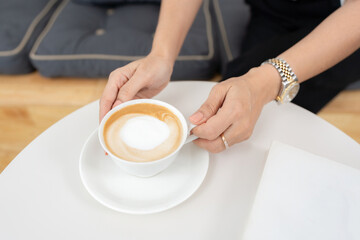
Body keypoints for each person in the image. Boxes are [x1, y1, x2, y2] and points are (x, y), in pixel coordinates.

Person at [99, 0, 360, 153]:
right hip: (272, 11)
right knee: (232, 109)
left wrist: (266, 82)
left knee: (270, 126)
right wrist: (161, 56)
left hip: (348, 18)